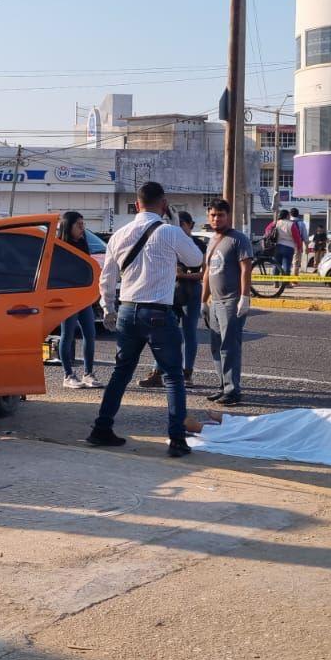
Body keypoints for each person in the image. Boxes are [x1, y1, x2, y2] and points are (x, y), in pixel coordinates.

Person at [88, 181, 204, 457]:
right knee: (173, 377)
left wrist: (108, 308)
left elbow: (107, 277)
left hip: (127, 310)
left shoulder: (119, 234)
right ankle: (176, 439)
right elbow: (196, 258)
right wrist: (177, 224)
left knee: (121, 373)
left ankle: (101, 428)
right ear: (164, 205)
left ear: (136, 204)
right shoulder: (169, 232)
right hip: (159, 313)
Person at [139, 210, 205, 389]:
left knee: (189, 332)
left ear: (189, 225)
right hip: (170, 292)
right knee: (164, 334)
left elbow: (205, 273)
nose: (177, 228)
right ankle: (157, 373)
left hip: (191, 291)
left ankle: (187, 373)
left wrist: (183, 275)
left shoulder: (198, 244)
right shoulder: (170, 242)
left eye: (181, 224)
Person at [202, 198, 254, 407]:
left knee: (229, 346)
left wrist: (245, 296)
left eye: (220, 215)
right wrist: (203, 301)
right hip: (215, 302)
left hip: (232, 300)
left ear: (228, 216)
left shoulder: (239, 239)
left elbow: (245, 269)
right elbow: (207, 273)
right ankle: (223, 386)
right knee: (216, 346)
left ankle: (233, 390)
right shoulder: (212, 240)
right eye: (213, 215)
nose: (216, 218)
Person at [56, 211, 101, 389]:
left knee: (90, 334)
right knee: (67, 334)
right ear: (69, 226)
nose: (83, 228)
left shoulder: (83, 243)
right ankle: (68, 375)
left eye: (83, 224)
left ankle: (88, 373)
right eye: (79, 224)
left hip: (83, 296)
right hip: (67, 296)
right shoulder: (59, 246)